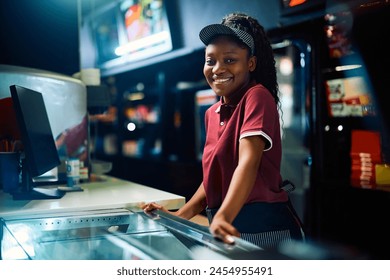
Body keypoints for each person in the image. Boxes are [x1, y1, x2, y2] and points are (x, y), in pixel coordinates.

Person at [142, 12, 305, 249]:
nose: (217, 69)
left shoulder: (257, 96)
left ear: (251, 63)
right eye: (211, 60)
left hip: (264, 229)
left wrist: (223, 216)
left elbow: (247, 162)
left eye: (230, 60)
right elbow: (212, 181)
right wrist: (179, 216)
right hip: (227, 227)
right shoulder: (212, 113)